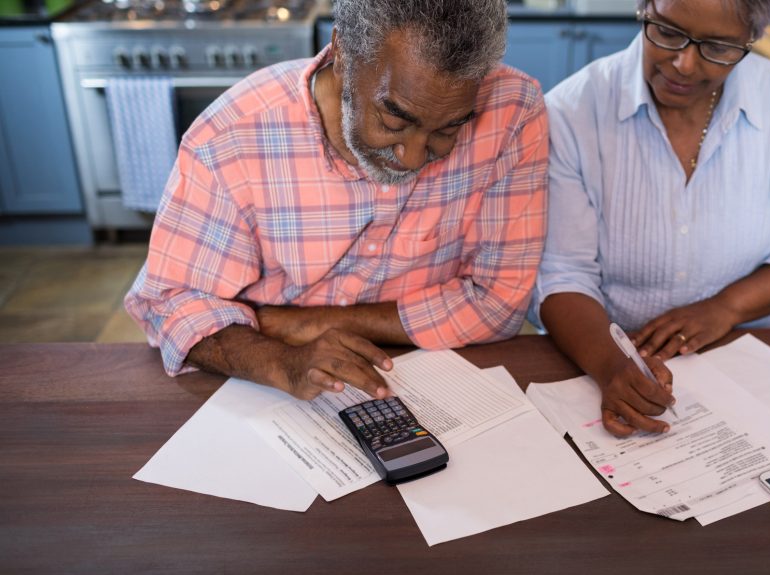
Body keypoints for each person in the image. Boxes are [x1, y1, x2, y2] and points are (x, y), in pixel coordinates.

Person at [125, 0, 548, 402]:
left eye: (449, 129)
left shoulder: (512, 111)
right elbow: (171, 304)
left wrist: (297, 324)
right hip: (266, 389)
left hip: (438, 382)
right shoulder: (232, 136)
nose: (414, 157)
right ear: (342, 54)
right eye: (395, 119)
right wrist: (282, 360)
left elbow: (500, 301)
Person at [534, 0, 770, 437]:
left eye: (718, 47)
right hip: (615, 353)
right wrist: (612, 367)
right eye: (666, 32)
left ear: (751, 40)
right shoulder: (573, 113)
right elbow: (562, 272)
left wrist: (726, 307)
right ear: (643, 9)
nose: (684, 64)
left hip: (756, 355)